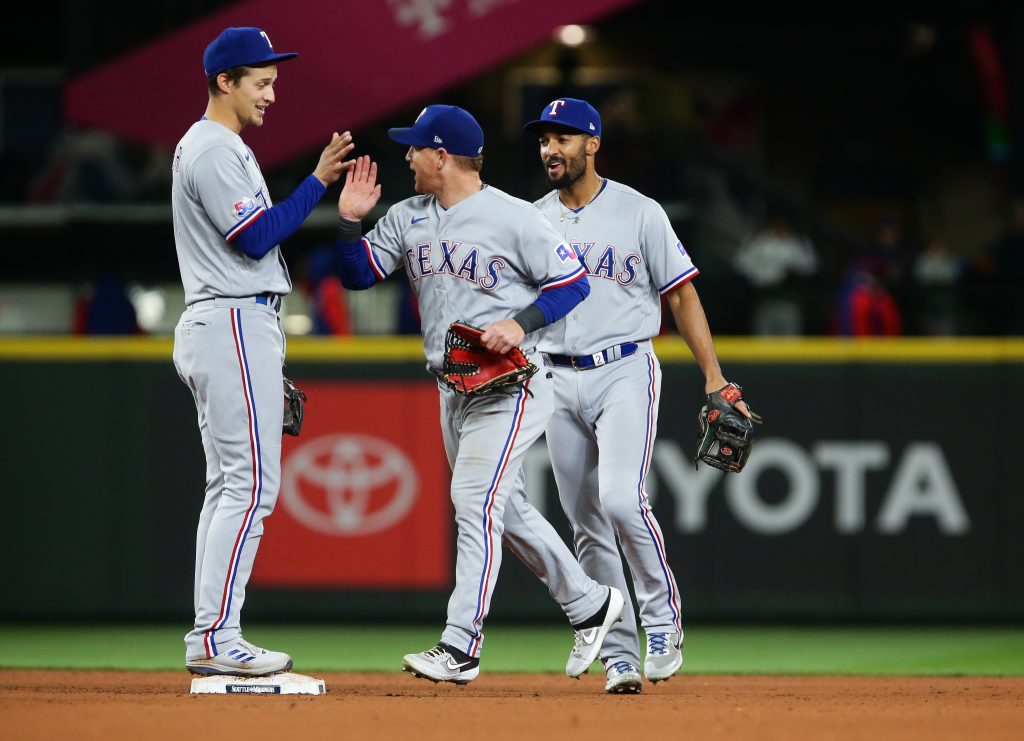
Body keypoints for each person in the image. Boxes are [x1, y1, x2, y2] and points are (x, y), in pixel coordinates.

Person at [333, 105, 625, 685]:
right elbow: (360, 274)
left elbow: (573, 283)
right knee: (503, 506)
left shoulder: (513, 218)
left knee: (473, 499)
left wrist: (520, 323)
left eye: (415, 148)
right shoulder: (406, 216)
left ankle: (461, 643)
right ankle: (591, 604)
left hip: (512, 383)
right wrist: (346, 222)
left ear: (442, 155)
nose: (407, 156)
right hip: (452, 387)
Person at [523, 97, 752, 693]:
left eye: (563, 138)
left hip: (623, 366)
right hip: (553, 374)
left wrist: (714, 377)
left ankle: (662, 619)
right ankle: (618, 653)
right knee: (585, 523)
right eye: (544, 139)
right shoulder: (531, 218)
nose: (551, 148)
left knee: (622, 500)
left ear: (592, 144)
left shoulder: (639, 212)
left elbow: (682, 296)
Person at [170, 26, 355, 677]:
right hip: (231, 320)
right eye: (262, 81)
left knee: (229, 485)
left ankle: (211, 632)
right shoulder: (213, 148)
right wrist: (316, 182)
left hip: (233, 322)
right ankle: (218, 634)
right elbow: (255, 237)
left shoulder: (220, 146)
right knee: (249, 484)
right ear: (226, 80)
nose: (272, 93)